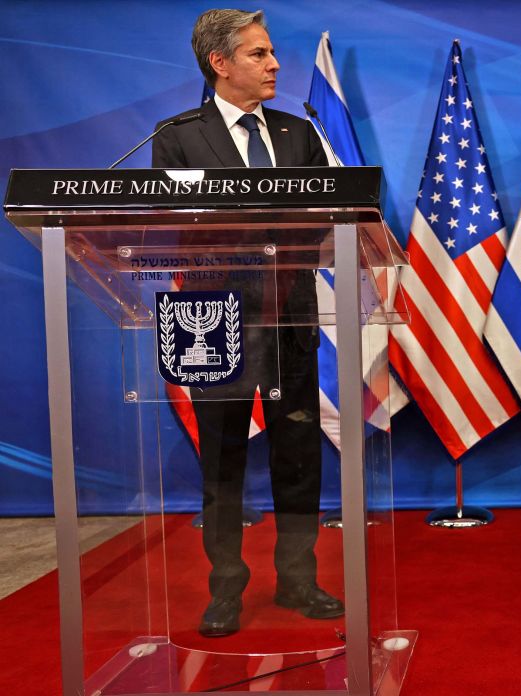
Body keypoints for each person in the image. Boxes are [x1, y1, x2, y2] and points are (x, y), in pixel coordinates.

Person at [152, 8, 342, 637]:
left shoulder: (298, 133)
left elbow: (325, 218)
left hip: (289, 315)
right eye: (259, 54)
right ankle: (226, 589)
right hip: (214, 318)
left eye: (272, 53)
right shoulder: (177, 135)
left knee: (296, 454)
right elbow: (184, 228)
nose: (275, 65)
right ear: (220, 63)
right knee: (224, 458)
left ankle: (298, 579)